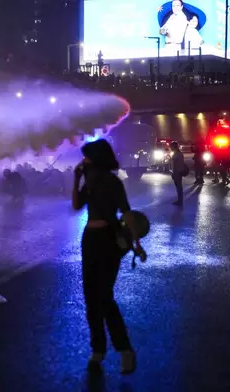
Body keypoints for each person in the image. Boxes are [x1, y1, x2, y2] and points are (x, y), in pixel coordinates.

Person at [71, 139, 144, 374]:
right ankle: (98, 350)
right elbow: (75, 205)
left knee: (103, 296)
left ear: (96, 159)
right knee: (91, 298)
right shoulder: (88, 182)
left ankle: (124, 350)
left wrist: (137, 243)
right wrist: (76, 179)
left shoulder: (112, 182)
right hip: (89, 239)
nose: (83, 162)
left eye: (87, 157)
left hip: (107, 239)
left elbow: (127, 212)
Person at [170, 141, 186, 206]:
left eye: (171, 146)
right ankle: (179, 200)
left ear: (174, 147)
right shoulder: (178, 153)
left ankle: (180, 201)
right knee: (178, 187)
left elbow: (176, 164)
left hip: (177, 172)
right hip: (177, 172)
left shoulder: (177, 154)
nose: (170, 148)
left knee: (179, 187)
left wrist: (174, 173)